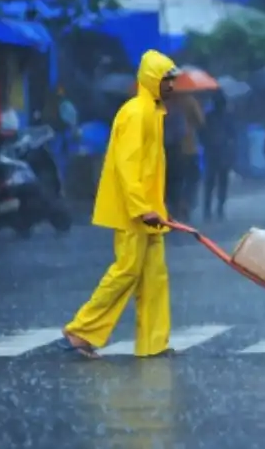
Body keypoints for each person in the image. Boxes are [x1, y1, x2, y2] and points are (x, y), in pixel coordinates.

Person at [59, 49, 180, 359]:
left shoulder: (152, 111)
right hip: (133, 211)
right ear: (152, 79)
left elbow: (150, 168)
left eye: (172, 80)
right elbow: (127, 167)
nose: (172, 86)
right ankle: (80, 330)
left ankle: (154, 344)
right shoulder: (136, 113)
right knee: (126, 270)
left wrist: (158, 207)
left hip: (148, 210)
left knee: (154, 276)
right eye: (167, 80)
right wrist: (142, 208)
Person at [201, 91, 236, 220]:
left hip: (212, 152)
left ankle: (208, 208)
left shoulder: (208, 116)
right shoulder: (228, 117)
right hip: (223, 152)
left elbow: (202, 132)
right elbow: (233, 136)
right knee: (222, 182)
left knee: (210, 181)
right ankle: (219, 208)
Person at [174, 94, 204, 221]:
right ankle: (186, 205)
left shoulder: (161, 102)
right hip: (188, 147)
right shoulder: (189, 101)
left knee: (174, 182)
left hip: (167, 149)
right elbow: (201, 122)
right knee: (192, 179)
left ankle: (175, 208)